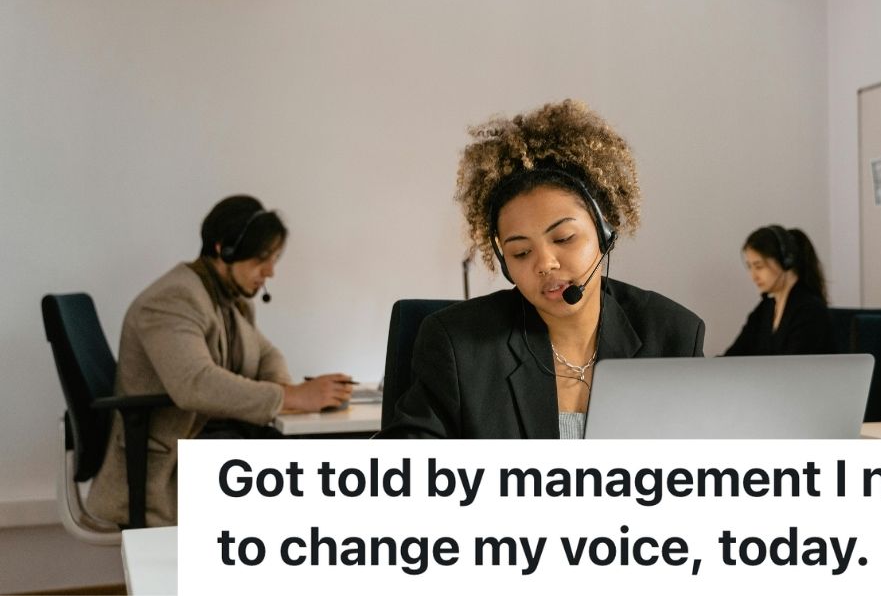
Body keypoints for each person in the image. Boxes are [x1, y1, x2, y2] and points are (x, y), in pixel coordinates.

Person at [377, 99, 705, 439]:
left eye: (563, 238)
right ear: (504, 261)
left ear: (604, 233)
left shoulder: (672, 335)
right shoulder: (459, 345)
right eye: (521, 252)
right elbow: (403, 469)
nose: (545, 263)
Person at [87, 195, 353, 527]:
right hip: (169, 463)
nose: (269, 271)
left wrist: (288, 389)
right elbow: (195, 383)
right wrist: (292, 397)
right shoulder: (174, 299)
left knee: (326, 463)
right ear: (223, 250)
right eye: (261, 259)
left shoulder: (229, 299)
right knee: (318, 477)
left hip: (208, 441)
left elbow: (265, 353)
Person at [725, 225, 833, 356]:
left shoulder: (810, 310)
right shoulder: (766, 308)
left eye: (759, 266)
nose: (753, 276)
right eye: (750, 267)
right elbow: (735, 354)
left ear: (786, 262)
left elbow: (795, 368)